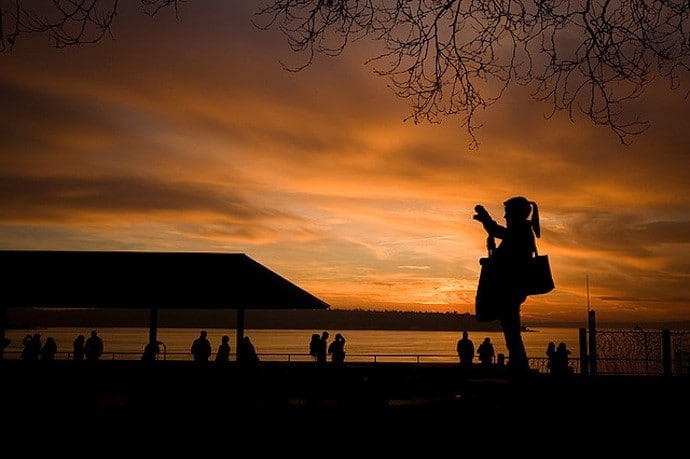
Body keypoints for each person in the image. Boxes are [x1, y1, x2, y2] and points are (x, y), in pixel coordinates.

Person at [473, 196, 540, 373]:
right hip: (512, 290)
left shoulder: (519, 233)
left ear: (516, 215)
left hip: (510, 290)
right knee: (511, 331)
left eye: (507, 213)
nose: (505, 217)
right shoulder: (521, 233)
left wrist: (484, 217)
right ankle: (518, 363)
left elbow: (496, 232)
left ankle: (519, 365)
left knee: (511, 331)